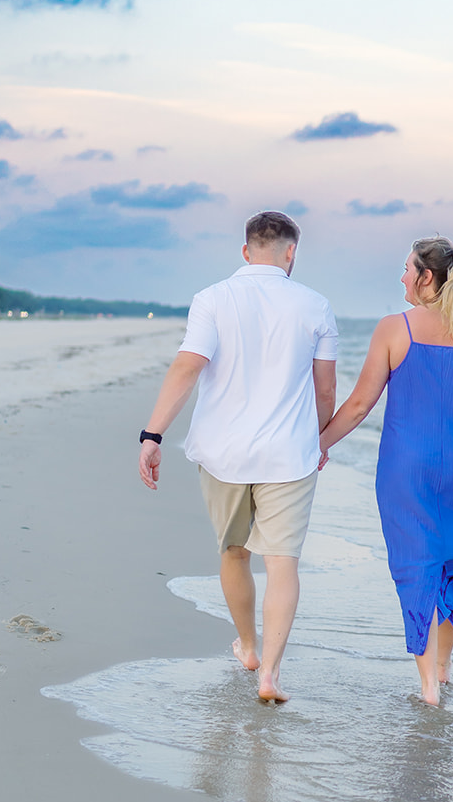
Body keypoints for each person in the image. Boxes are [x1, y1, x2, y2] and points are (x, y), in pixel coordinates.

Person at [138, 210, 337, 703]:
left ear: (246, 251)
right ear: (291, 252)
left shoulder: (212, 299)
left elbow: (188, 366)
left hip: (222, 452)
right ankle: (269, 673)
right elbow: (325, 388)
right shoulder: (315, 305)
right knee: (283, 562)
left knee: (233, 552)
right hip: (289, 454)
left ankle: (247, 647)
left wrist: (153, 434)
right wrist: (321, 440)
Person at [319, 237, 453, 706]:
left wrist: (317, 445)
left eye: (406, 269)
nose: (401, 277)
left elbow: (360, 405)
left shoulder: (393, 329)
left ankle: (427, 688)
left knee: (417, 568)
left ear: (425, 277)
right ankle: (443, 668)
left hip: (408, 470)